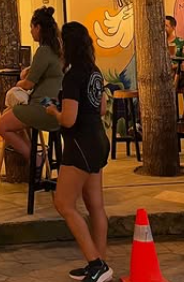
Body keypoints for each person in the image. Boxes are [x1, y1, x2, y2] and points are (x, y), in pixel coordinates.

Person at [48, 22, 110, 282]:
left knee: (63, 203)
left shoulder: (72, 76)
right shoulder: (94, 71)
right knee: (96, 206)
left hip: (80, 145)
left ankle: (95, 263)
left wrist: (54, 111)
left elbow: (69, 119)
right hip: (98, 141)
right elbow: (102, 108)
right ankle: (100, 262)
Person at [0, 7, 62, 172]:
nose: (31, 32)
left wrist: (18, 83)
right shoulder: (57, 50)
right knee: (8, 113)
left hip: (43, 104)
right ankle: (34, 154)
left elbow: (28, 84)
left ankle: (35, 158)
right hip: (55, 103)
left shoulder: (43, 50)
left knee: (1, 125)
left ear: (38, 27)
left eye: (32, 27)